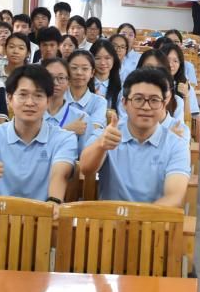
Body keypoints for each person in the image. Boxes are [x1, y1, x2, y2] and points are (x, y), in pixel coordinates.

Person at [0, 64, 78, 203]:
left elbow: (59, 174)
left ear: (48, 101)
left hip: (42, 213)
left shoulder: (64, 138)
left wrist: (53, 202)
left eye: (38, 95)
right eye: (23, 95)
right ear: (9, 99)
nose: (30, 102)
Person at [80, 67, 192, 206]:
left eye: (154, 100)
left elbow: (174, 196)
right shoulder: (108, 134)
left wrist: (138, 219)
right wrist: (100, 146)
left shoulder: (176, 145)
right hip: (110, 217)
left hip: (153, 218)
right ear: (124, 103)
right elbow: (85, 169)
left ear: (164, 104)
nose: (146, 107)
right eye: (138, 99)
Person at [41, 56, 92, 151]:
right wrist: (66, 130)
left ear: (69, 82)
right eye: (50, 77)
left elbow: (85, 156)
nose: (55, 83)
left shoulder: (81, 118)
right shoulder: (31, 114)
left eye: (61, 78)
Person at [66, 49, 110, 136]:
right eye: (74, 68)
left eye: (85, 69)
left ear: (92, 73)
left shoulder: (99, 102)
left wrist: (63, 129)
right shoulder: (57, 98)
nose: (79, 72)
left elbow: (93, 132)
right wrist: (69, 128)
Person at [89, 38, 123, 111]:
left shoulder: (121, 87)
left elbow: (123, 115)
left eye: (107, 58)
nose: (102, 63)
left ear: (114, 59)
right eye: (97, 58)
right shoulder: (84, 84)